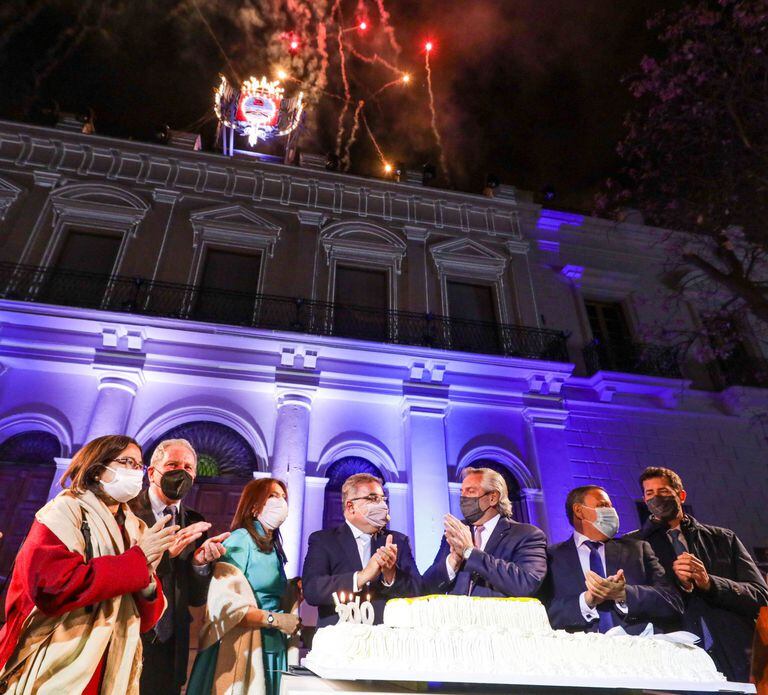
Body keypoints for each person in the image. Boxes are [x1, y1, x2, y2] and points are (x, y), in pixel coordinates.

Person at [0, 435, 175, 694]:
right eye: (127, 462)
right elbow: (52, 587)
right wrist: (137, 562)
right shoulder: (64, 511)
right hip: (60, 655)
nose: (136, 472)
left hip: (114, 659)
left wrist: (148, 581)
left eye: (139, 465)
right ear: (96, 469)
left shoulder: (135, 526)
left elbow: (146, 620)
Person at [628, 466, 768, 682]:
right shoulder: (633, 545)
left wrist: (710, 583)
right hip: (675, 661)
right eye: (649, 493)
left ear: (681, 495)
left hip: (737, 656)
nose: (657, 498)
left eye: (664, 491)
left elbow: (760, 596)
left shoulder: (723, 539)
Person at [129, 438, 229, 695]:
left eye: (188, 467)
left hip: (172, 641)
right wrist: (162, 557)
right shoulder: (127, 511)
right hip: (129, 630)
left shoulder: (195, 521)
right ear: (152, 473)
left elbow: (195, 597)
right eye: (173, 464)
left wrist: (199, 564)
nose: (181, 472)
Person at [187, 478, 300, 695]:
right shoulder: (240, 540)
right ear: (255, 506)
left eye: (283, 497)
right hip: (243, 647)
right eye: (273, 496)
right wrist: (275, 620)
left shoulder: (273, 546)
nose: (281, 503)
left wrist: (294, 588)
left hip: (272, 644)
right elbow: (226, 606)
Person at [546, 484, 682, 634]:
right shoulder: (551, 557)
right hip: (581, 651)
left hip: (638, 647)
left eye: (611, 506)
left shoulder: (638, 549)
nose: (611, 511)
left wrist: (624, 594)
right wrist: (585, 601)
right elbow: (544, 612)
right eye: (603, 505)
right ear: (579, 511)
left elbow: (672, 601)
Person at [302, 473, 422, 627]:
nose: (381, 505)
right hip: (341, 639)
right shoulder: (324, 541)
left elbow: (418, 591)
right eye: (373, 498)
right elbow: (312, 590)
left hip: (386, 639)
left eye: (382, 499)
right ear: (351, 507)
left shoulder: (398, 541)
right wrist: (360, 577)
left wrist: (391, 575)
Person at [422, 467, 547, 597]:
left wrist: (470, 553)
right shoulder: (456, 534)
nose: (463, 498)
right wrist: (451, 563)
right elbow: (426, 587)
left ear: (493, 498)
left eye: (470, 491)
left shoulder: (527, 535)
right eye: (462, 492)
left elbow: (526, 583)